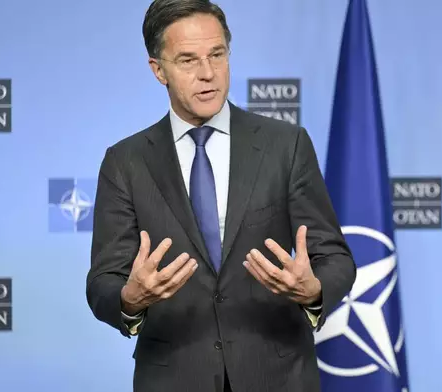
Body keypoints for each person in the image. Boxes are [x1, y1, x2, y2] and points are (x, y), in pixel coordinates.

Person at [85, 0, 356, 391]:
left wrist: (314, 292)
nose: (208, 74)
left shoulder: (286, 146)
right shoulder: (126, 162)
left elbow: (334, 257)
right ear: (158, 70)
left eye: (217, 54)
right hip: (173, 376)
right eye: (188, 60)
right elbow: (103, 282)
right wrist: (129, 300)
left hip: (277, 375)